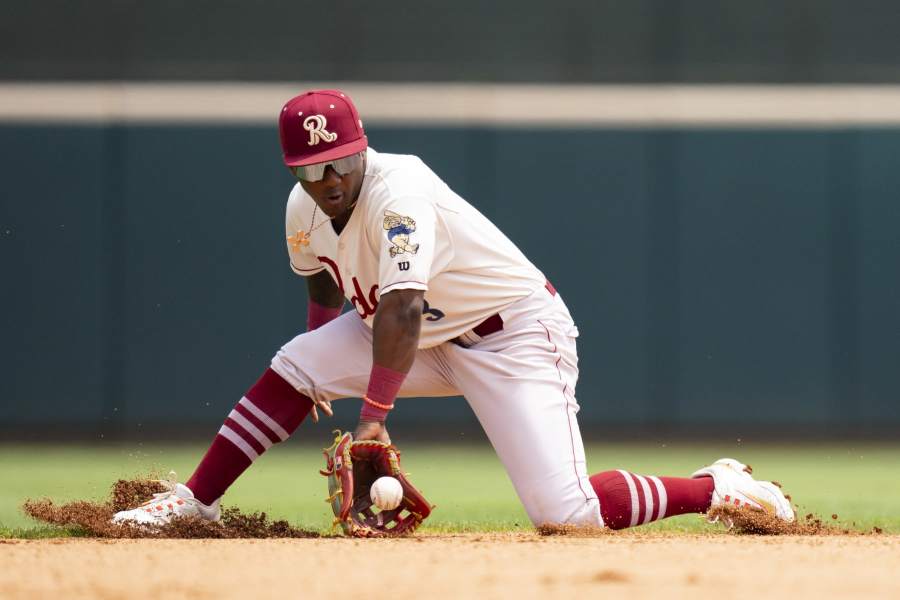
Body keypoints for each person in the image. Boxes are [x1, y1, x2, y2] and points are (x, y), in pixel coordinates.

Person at [113, 90, 793, 528]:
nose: (327, 181)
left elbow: (404, 307)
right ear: (293, 171)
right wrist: (327, 374)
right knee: (294, 364)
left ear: (361, 147)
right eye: (310, 170)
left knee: (568, 514)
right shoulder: (303, 211)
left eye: (339, 163)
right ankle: (194, 500)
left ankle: (714, 487)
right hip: (422, 335)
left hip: (513, 334)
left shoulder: (397, 191)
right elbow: (323, 292)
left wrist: (372, 422)